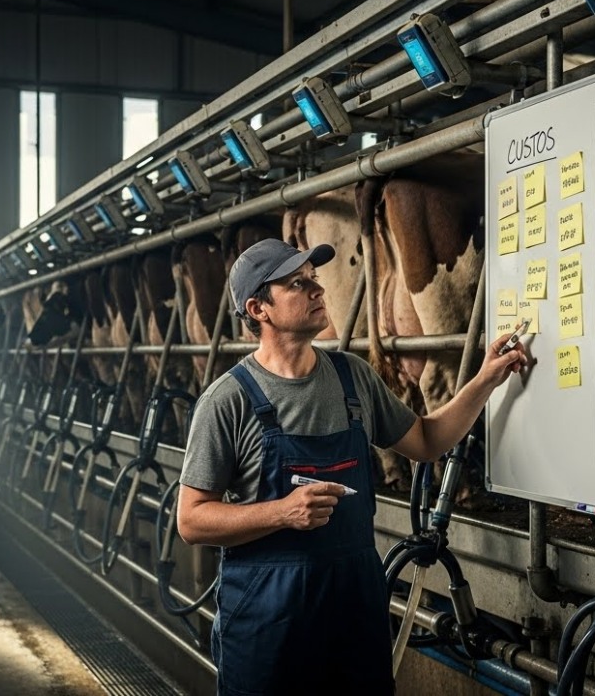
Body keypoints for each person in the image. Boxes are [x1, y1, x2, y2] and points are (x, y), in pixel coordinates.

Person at [177, 238, 529, 696]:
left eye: (315, 279)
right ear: (258, 308)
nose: (318, 290)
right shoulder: (228, 400)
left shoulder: (353, 376)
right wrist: (282, 513)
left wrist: (484, 380)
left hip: (353, 609)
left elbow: (425, 441)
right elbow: (191, 519)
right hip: (267, 620)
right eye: (297, 284)